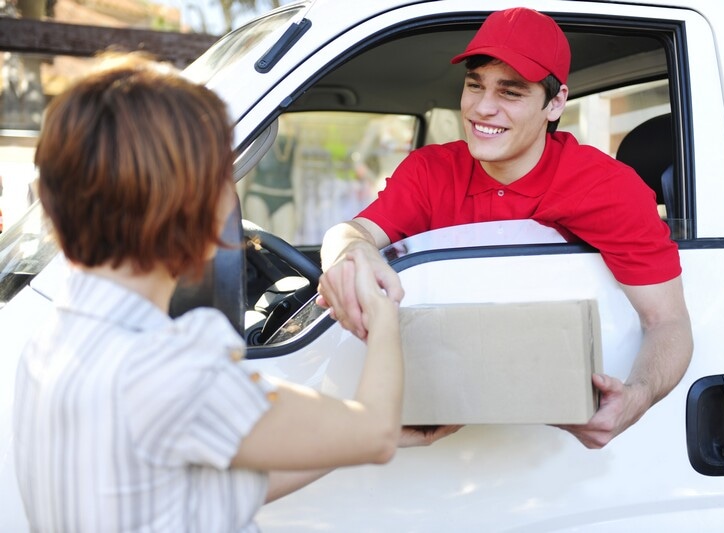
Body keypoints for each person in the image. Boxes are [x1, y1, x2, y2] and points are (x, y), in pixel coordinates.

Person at [12, 53, 456, 532]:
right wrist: (382, 310)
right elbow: (376, 433)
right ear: (195, 214)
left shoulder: (49, 345)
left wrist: (345, 439)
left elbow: (192, 491)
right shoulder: (173, 370)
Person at [317, 7, 693, 449]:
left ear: (556, 103)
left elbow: (668, 322)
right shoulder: (431, 171)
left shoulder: (608, 189)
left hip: (562, 453)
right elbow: (351, 233)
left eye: (510, 92)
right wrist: (353, 254)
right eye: (475, 85)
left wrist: (637, 397)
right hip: (436, 442)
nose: (482, 107)